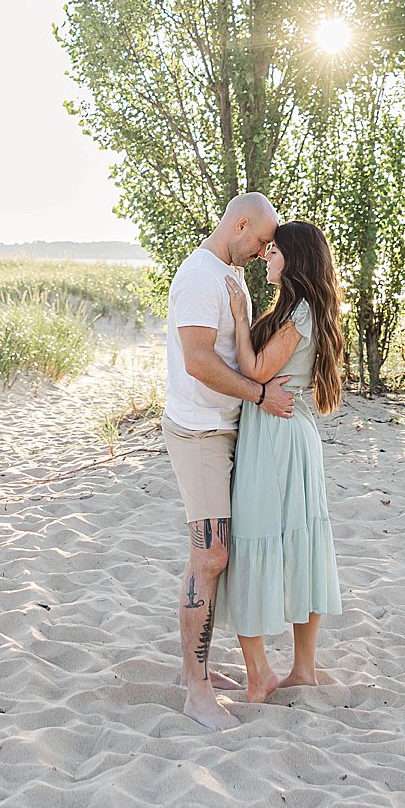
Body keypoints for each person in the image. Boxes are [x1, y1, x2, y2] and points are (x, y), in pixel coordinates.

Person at [162, 192, 294, 731]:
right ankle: (195, 691)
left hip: (224, 430)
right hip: (198, 432)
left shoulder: (229, 276)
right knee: (209, 556)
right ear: (240, 224)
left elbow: (237, 352)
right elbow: (196, 362)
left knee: (219, 556)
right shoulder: (199, 277)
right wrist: (260, 397)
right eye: (261, 239)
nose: (262, 251)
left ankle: (201, 669)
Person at [218, 218, 344, 701]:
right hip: (291, 434)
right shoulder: (304, 310)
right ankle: (302, 670)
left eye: (274, 252)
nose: (267, 257)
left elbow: (254, 370)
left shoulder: (301, 315)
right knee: (298, 541)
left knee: (259, 539)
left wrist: (235, 314)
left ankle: (279, 672)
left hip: (277, 438)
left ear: (294, 258)